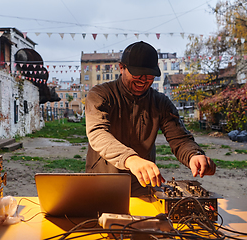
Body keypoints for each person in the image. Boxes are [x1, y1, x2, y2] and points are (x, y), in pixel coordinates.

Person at [85, 41, 216, 196]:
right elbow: (97, 133)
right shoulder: (100, 95)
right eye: (137, 74)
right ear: (121, 68)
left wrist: (193, 155)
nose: (143, 80)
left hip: (143, 185)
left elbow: (180, 139)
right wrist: (131, 159)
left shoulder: (161, 103)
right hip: (102, 181)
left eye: (149, 76)